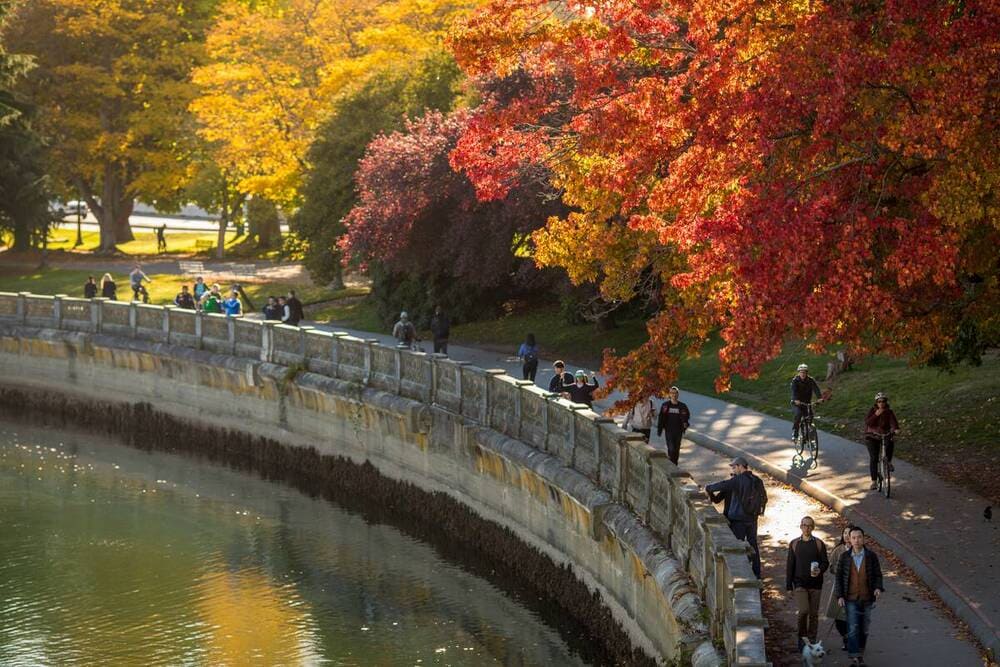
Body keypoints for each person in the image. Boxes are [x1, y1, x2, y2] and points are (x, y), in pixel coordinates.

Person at [706, 457, 766, 578]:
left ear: (740, 466)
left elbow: (719, 487)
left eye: (734, 467)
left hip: (738, 520)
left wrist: (708, 489)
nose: (733, 470)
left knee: (736, 547)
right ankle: (756, 573)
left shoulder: (737, 481)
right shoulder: (757, 480)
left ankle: (739, 575)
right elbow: (763, 498)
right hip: (753, 518)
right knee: (753, 545)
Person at [835, 526, 885, 666]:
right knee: (852, 627)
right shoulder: (844, 557)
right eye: (854, 537)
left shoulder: (871, 556)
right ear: (849, 540)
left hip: (867, 598)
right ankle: (854, 656)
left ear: (864, 539)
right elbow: (838, 578)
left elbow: (878, 575)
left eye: (859, 537)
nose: (857, 540)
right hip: (850, 599)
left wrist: (877, 588)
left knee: (864, 628)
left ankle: (860, 654)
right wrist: (839, 596)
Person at [786, 516, 829, 649]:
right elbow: (790, 565)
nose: (807, 528)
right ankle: (802, 637)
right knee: (804, 611)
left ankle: (812, 640)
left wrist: (820, 570)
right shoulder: (794, 544)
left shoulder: (818, 544)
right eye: (804, 525)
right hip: (800, 584)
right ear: (800, 526)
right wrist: (789, 586)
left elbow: (825, 562)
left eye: (810, 526)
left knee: (814, 614)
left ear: (813, 527)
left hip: (816, 584)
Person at [824, 526, 852, 651]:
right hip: (840, 587)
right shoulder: (838, 550)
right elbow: (831, 567)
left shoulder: (860, 550)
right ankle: (846, 637)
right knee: (838, 617)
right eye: (844, 533)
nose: (846, 535)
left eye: (849, 533)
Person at [864, 392, 900, 490]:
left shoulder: (889, 412)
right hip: (872, 436)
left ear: (886, 402)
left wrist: (896, 429)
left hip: (884, 434)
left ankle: (888, 461)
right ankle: (874, 481)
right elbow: (868, 423)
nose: (881, 403)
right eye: (879, 401)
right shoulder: (872, 411)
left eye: (883, 401)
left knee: (891, 441)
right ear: (876, 403)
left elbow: (893, 422)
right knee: (874, 458)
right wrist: (876, 415)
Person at [656, 386, 691, 464]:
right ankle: (671, 464)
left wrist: (685, 424)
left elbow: (686, 416)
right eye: (672, 393)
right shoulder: (665, 405)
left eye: (675, 393)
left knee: (676, 449)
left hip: (678, 431)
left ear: (678, 394)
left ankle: (675, 464)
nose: (674, 395)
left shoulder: (682, 406)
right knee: (671, 448)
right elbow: (661, 417)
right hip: (669, 431)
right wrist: (660, 430)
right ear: (669, 394)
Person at [790, 363, 824, 442]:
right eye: (801, 372)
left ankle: (810, 438)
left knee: (810, 418)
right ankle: (795, 432)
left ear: (807, 373)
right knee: (798, 414)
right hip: (797, 403)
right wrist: (795, 399)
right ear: (799, 372)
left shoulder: (810, 380)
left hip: (807, 403)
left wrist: (820, 398)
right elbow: (793, 391)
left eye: (804, 372)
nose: (803, 373)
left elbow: (816, 389)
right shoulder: (795, 381)